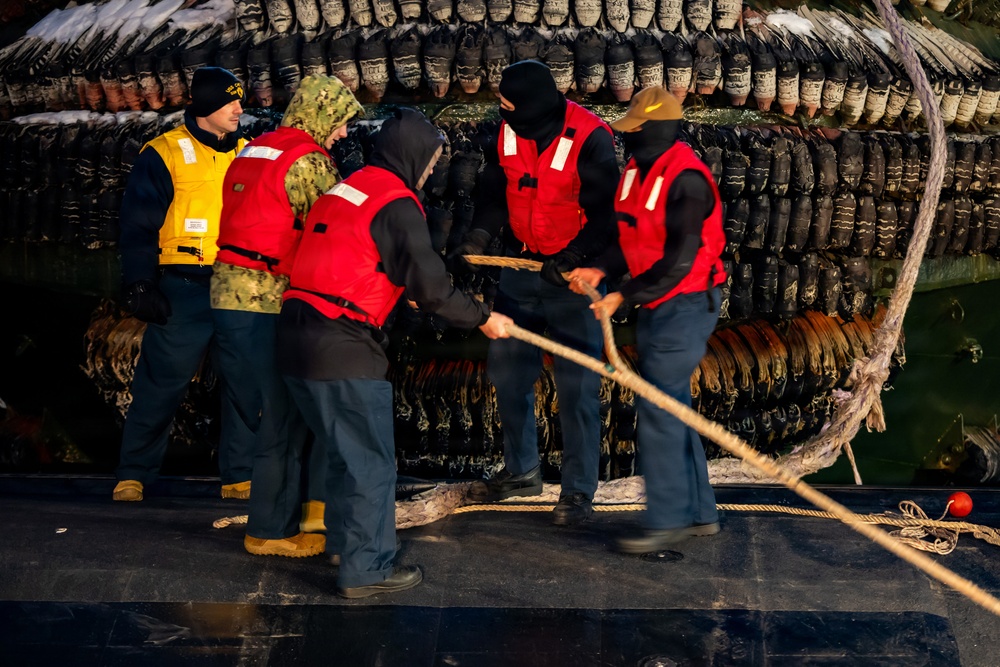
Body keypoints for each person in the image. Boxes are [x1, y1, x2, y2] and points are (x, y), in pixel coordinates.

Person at [277, 108, 513, 598]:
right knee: (370, 462)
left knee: (344, 455)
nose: (431, 171)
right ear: (413, 156)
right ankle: (366, 571)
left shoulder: (346, 189)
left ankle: (347, 544)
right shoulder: (397, 203)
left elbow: (350, 256)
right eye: (430, 161)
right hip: (341, 344)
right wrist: (483, 317)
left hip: (296, 334)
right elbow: (430, 289)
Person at [448, 60, 620, 526]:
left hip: (573, 279)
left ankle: (579, 489)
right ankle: (522, 471)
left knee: (578, 385)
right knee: (507, 374)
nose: (501, 112)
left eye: (507, 105)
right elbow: (494, 195)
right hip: (520, 273)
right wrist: (478, 238)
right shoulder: (503, 132)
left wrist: (573, 256)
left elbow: (608, 215)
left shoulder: (591, 137)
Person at [568, 86, 726, 553]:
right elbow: (629, 237)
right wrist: (601, 268)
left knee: (657, 409)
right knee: (674, 404)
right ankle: (699, 514)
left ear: (655, 130)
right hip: (659, 304)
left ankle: (667, 520)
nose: (626, 140)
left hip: (686, 304)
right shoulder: (637, 172)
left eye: (634, 132)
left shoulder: (688, 181)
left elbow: (679, 261)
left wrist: (622, 295)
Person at [211, 75, 364, 557]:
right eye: (339, 123)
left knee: (278, 409)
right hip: (269, 300)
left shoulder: (256, 149)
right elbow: (333, 230)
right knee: (285, 415)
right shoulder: (310, 162)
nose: (341, 134)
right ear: (321, 115)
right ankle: (270, 530)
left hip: (227, 294)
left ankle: (306, 509)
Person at [114, 67, 258, 502]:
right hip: (184, 286)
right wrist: (141, 284)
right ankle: (134, 473)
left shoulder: (253, 153)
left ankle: (241, 475)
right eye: (230, 101)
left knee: (245, 382)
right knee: (161, 382)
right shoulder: (164, 153)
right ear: (205, 106)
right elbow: (138, 224)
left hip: (240, 286)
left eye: (239, 99)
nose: (239, 108)